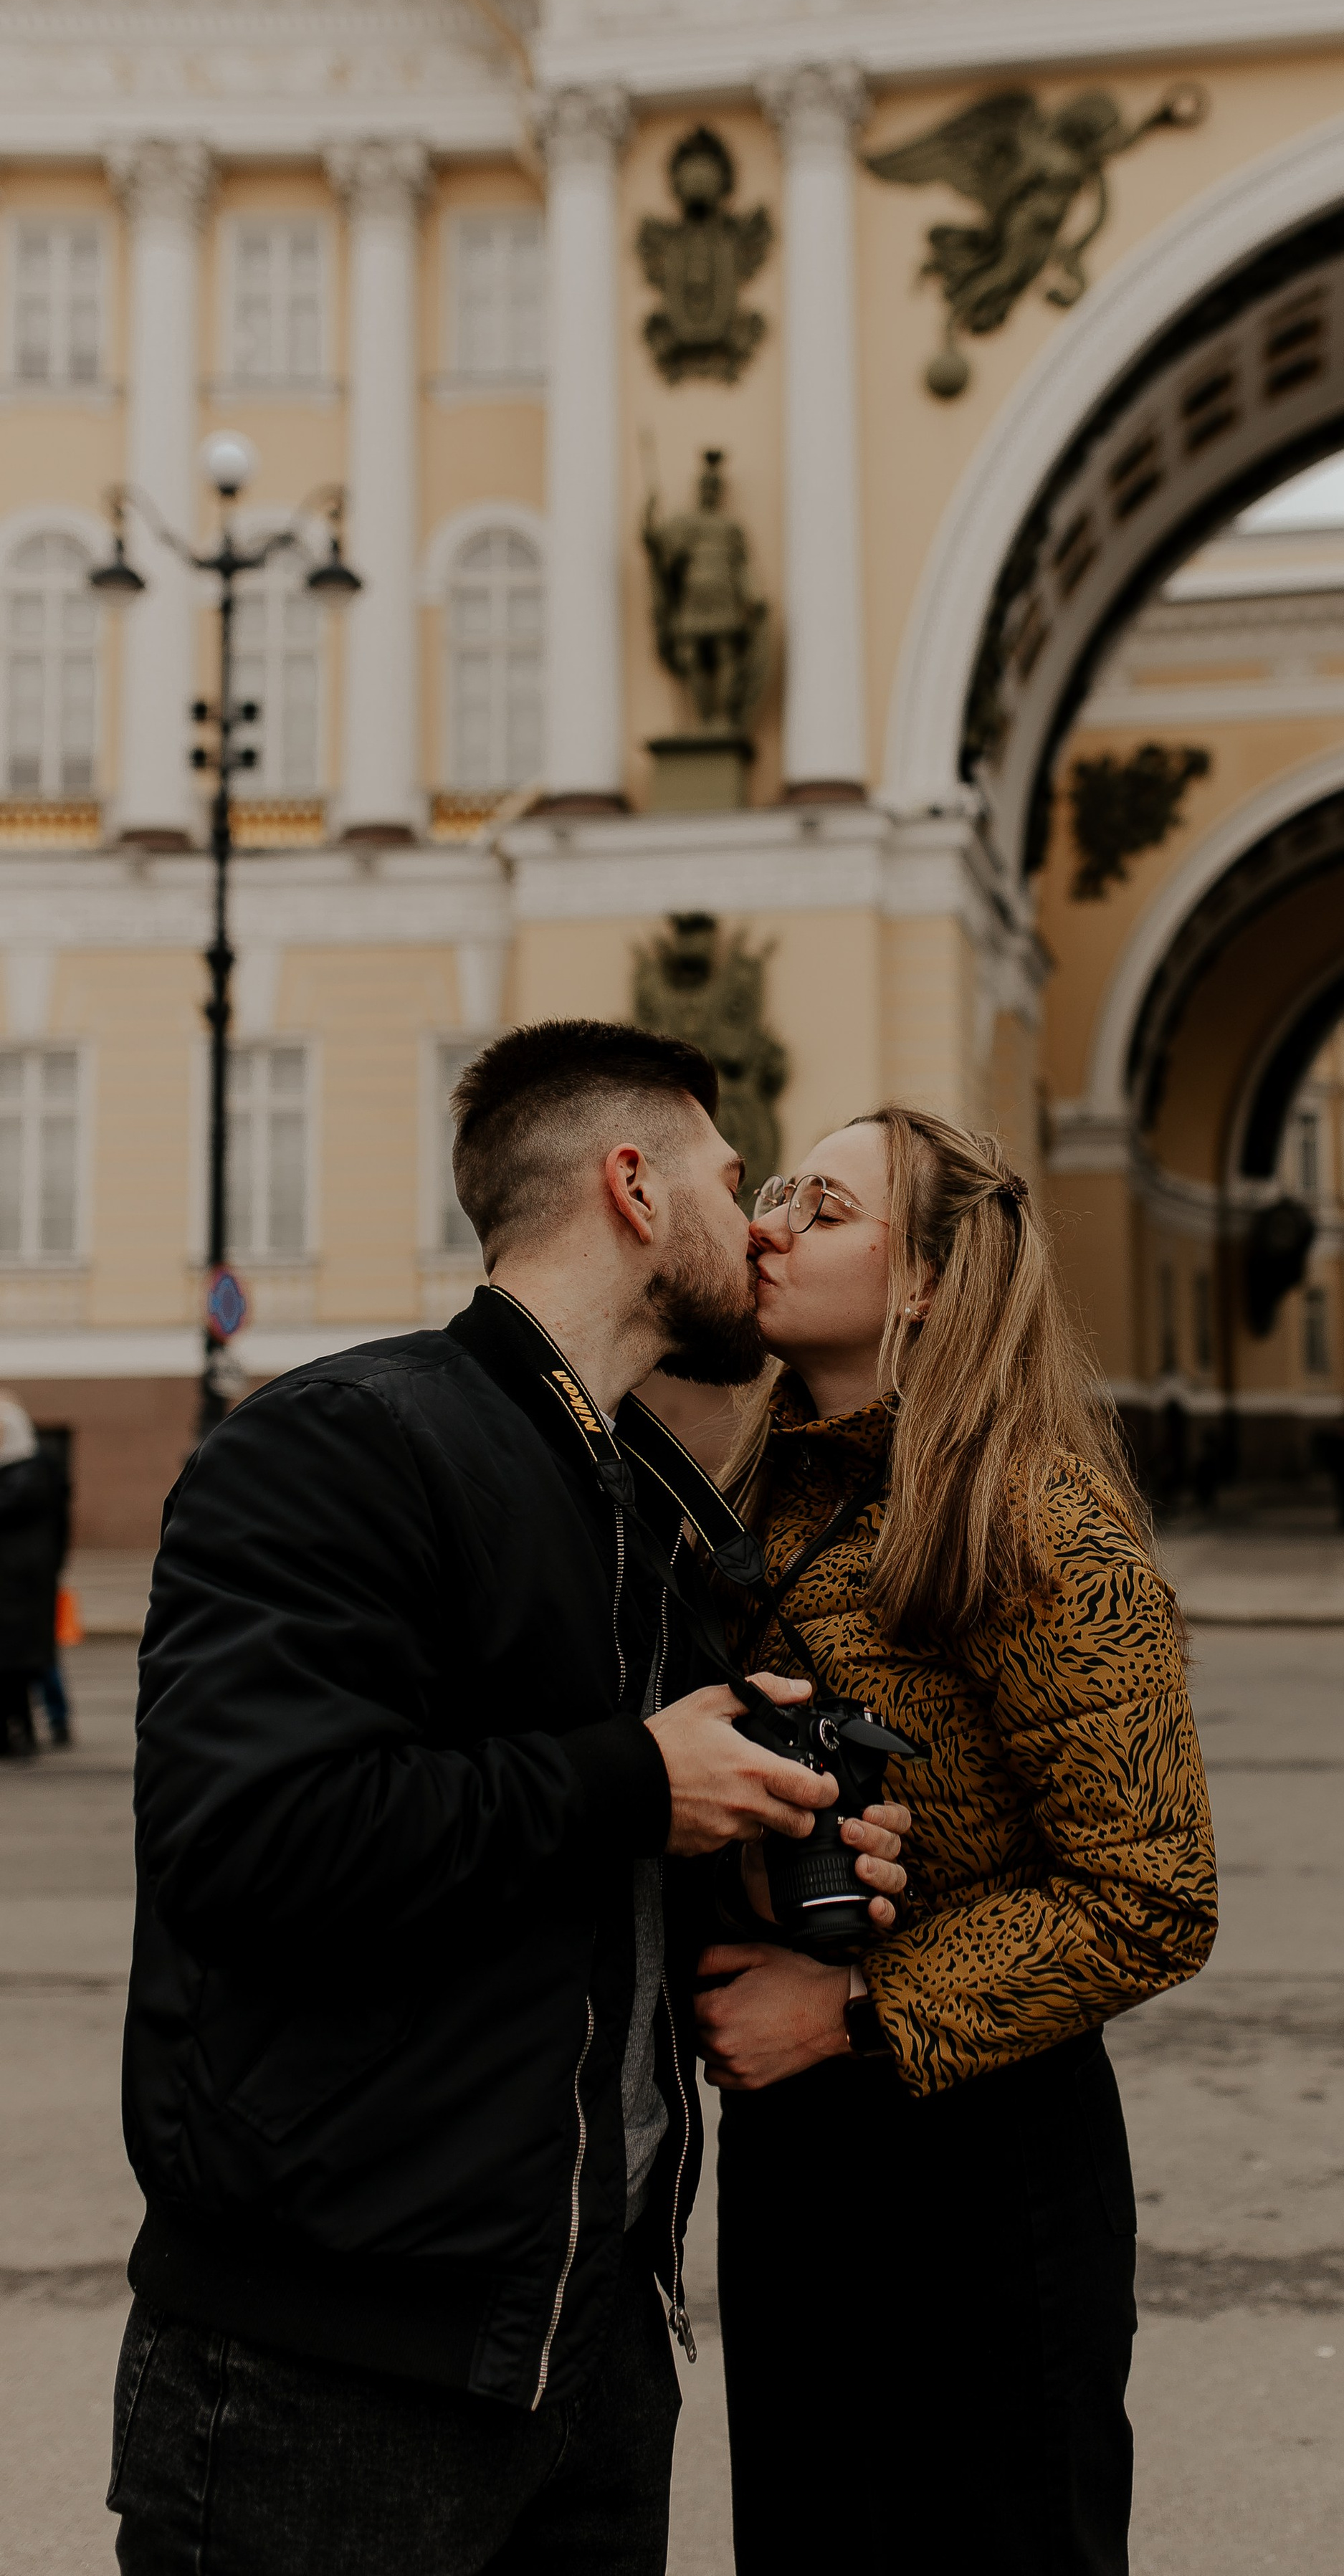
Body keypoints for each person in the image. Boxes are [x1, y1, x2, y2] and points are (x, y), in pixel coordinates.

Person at [108, 1021, 910, 2576]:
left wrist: (754, 1847)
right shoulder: (345, 1442)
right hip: (330, 2371)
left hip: (590, 2337)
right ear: (630, 1184)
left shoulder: (630, 1490)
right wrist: (635, 1779)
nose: (754, 1224)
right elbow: (248, 1840)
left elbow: (570, 1882)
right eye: (730, 1177)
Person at [694, 1108, 1217, 2576]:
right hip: (795, 2155)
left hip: (985, 2169)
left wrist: (851, 2007)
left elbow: (1151, 1896)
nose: (770, 1224)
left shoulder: (1036, 1519)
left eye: (828, 1208)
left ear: (925, 1278)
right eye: (776, 1189)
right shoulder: (755, 1495)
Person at [0, 1393, 70, 1755]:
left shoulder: (26, 1475)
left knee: (23, 1665)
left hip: (20, 1586)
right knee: (25, 1663)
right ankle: (40, 1725)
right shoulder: (36, 1470)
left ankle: (40, 1727)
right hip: (26, 1584)